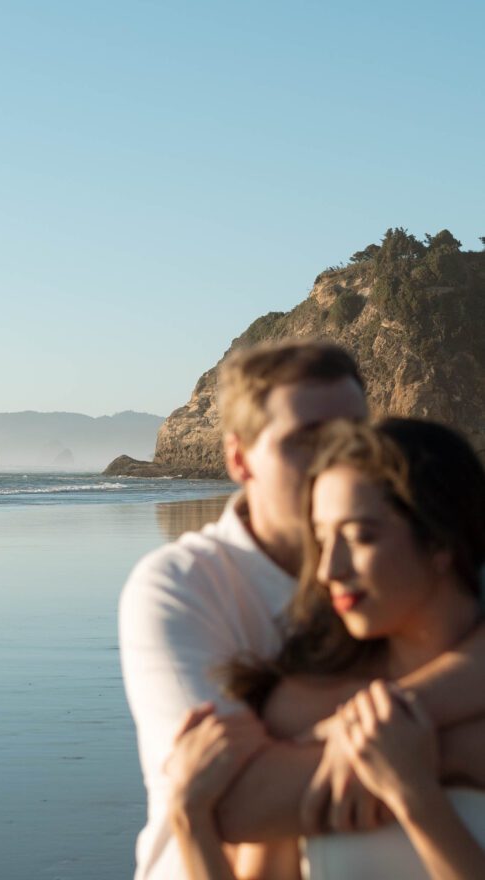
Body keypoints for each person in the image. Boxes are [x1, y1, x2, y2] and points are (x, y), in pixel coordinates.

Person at [119, 340, 485, 880]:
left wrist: (375, 730)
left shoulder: (424, 589)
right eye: (306, 440)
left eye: (352, 432)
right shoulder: (185, 585)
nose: (334, 456)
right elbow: (236, 799)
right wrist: (434, 747)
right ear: (239, 458)